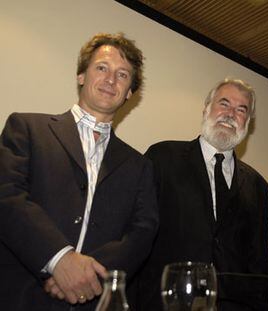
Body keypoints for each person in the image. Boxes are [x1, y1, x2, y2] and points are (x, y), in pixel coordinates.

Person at [0, 32, 158, 311]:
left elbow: (142, 232)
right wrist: (59, 259)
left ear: (130, 92)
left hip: (98, 302)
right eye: (102, 68)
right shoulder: (26, 128)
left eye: (122, 75)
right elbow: (7, 197)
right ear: (81, 76)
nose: (111, 80)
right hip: (21, 298)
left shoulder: (140, 165)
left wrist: (87, 276)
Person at [137, 78, 268, 310]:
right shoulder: (162, 157)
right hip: (165, 304)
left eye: (241, 110)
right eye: (224, 104)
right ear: (206, 109)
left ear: (247, 122)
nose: (231, 114)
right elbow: (137, 234)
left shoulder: (258, 185)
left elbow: (258, 263)